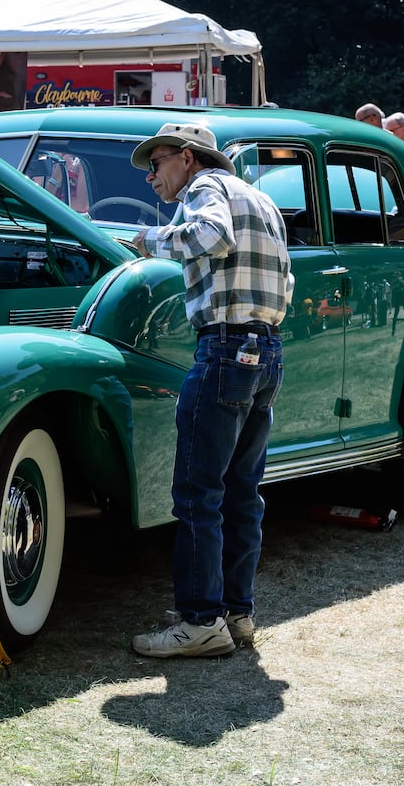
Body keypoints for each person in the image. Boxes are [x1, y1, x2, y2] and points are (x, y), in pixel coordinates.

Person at [126, 121, 293, 659]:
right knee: (243, 491)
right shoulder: (260, 200)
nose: (152, 176)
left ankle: (200, 621)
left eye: (156, 163)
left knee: (199, 492)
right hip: (266, 350)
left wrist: (144, 239)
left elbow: (211, 237)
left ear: (187, 157)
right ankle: (236, 613)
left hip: (223, 348)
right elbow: (285, 279)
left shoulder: (204, 189)